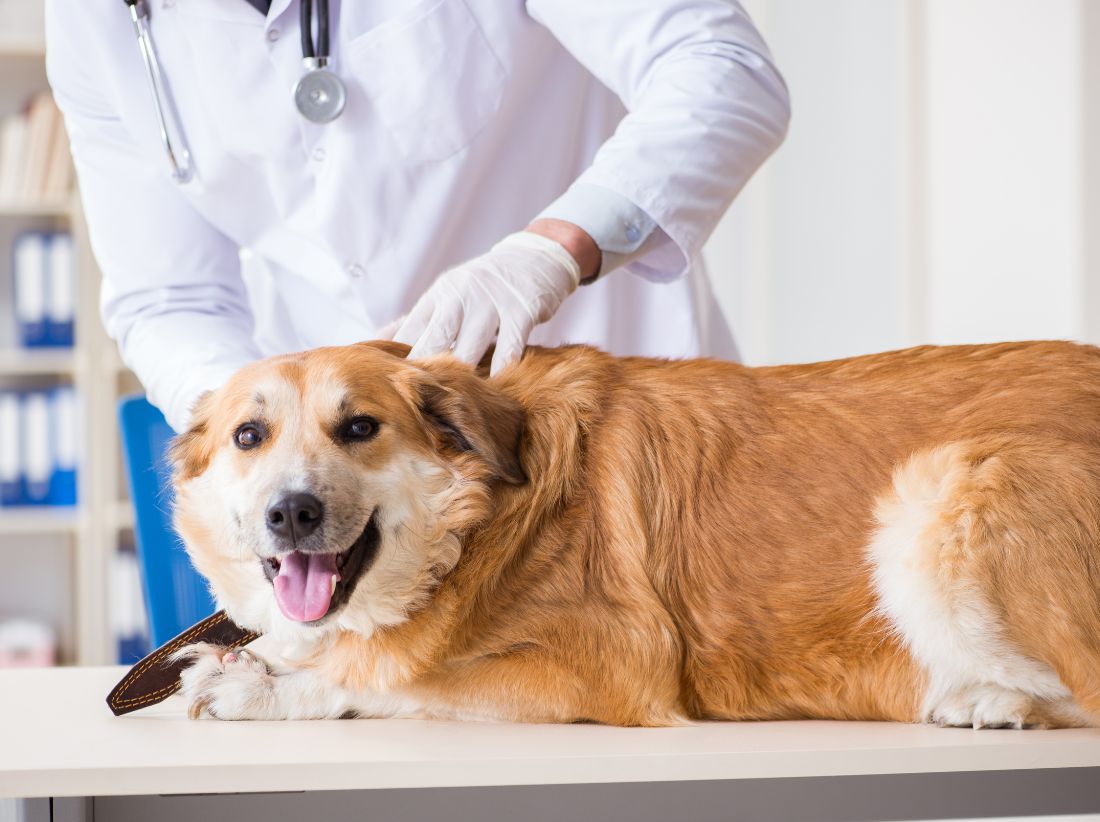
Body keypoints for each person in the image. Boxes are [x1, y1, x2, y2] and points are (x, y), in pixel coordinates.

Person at [45, 0, 789, 432]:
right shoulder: (96, 17)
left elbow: (724, 73)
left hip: (608, 420)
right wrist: (260, 436)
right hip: (359, 476)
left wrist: (548, 253)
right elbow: (170, 298)